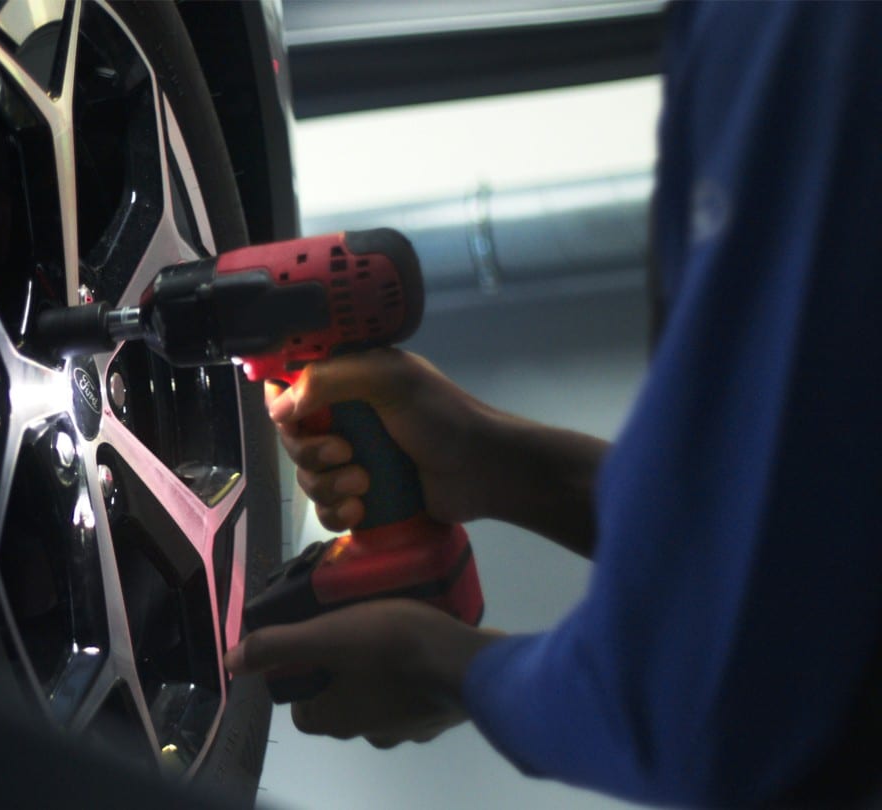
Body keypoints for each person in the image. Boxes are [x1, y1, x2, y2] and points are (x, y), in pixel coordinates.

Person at [224, 2, 882, 805]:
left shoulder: (803, 30)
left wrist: (446, 667)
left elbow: (717, 707)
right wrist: (508, 463)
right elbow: (808, 543)